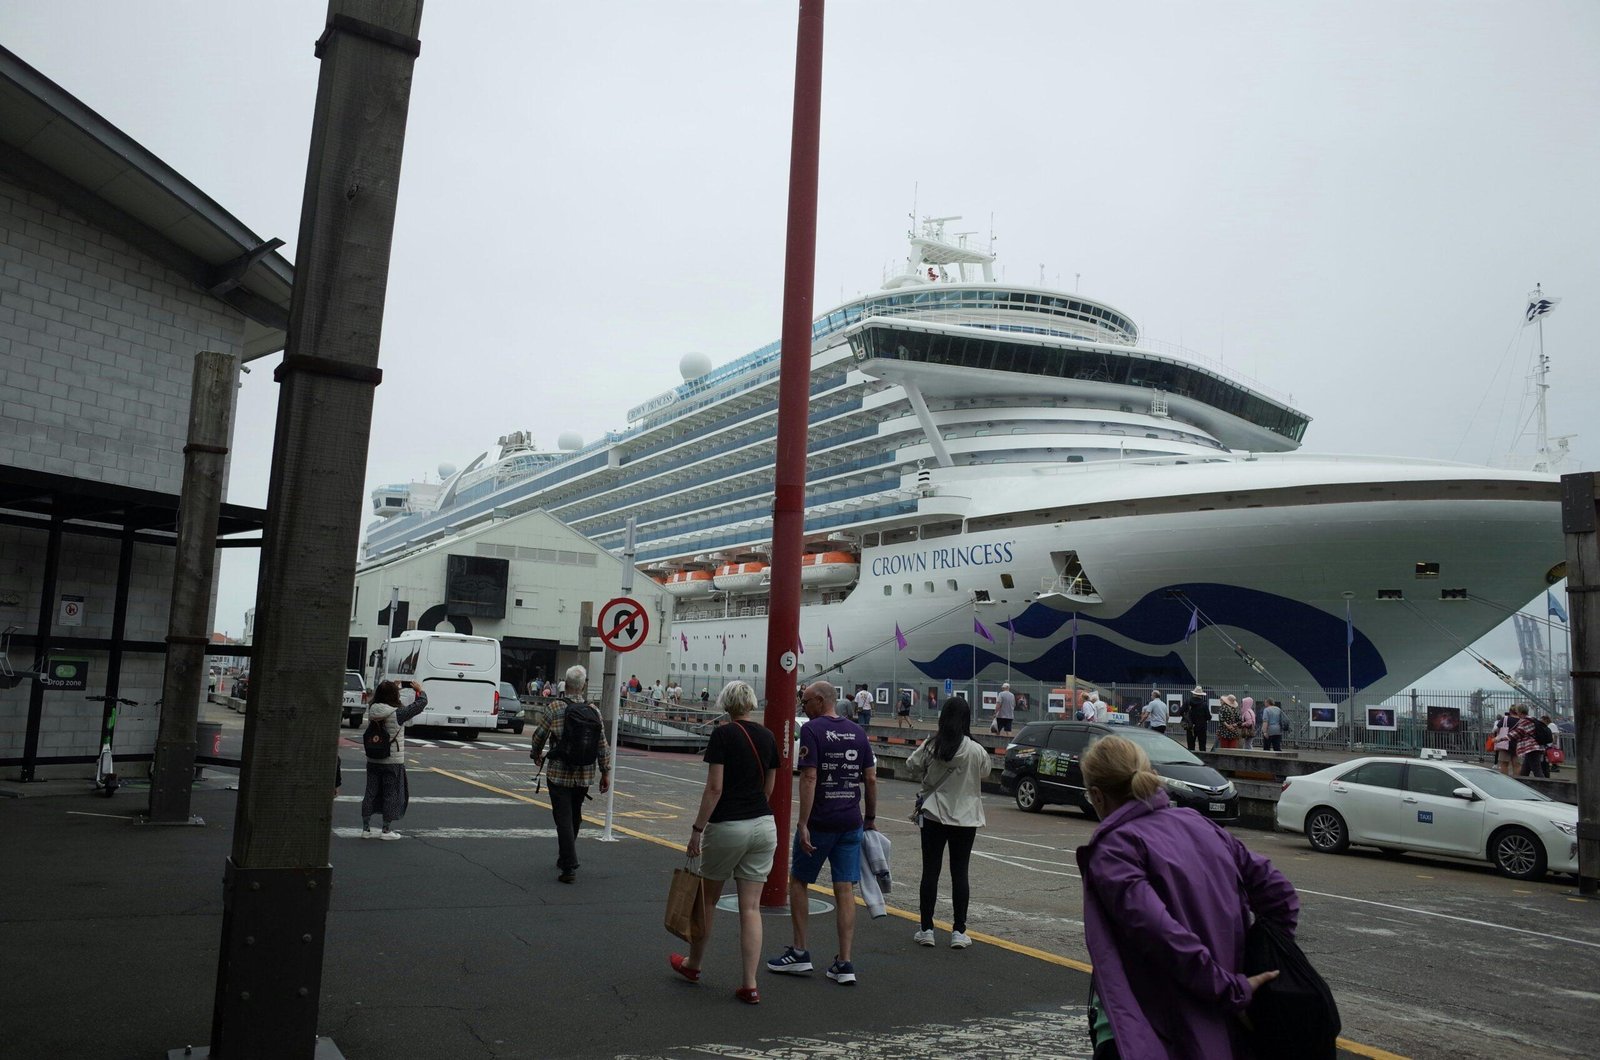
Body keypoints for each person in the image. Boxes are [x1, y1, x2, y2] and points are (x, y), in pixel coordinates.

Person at [1077, 735, 1298, 1058]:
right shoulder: (1199, 823)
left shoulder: (1114, 849)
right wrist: (1250, 973)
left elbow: (1161, 935)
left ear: (1097, 796)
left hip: (1151, 1032)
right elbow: (1280, 895)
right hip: (1225, 1025)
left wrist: (1230, 988)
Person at [669, 681, 779, 1004]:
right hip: (763, 826)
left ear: (726, 705)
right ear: (750, 704)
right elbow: (768, 789)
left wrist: (697, 829)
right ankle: (750, 983)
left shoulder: (722, 735)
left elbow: (714, 789)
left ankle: (694, 964)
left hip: (728, 825)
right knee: (750, 907)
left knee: (708, 900)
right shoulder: (769, 736)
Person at [767, 681, 877, 985]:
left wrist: (803, 823)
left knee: (799, 881)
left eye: (805, 702)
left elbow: (810, 776)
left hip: (821, 822)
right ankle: (845, 962)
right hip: (851, 821)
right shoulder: (858, 732)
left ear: (819, 701)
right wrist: (870, 818)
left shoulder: (813, 731)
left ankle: (800, 953)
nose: (803, 707)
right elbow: (870, 779)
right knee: (845, 889)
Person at [906, 697, 988, 949]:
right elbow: (985, 772)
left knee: (930, 871)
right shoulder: (976, 749)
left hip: (934, 814)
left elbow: (911, 765)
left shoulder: (933, 745)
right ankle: (959, 931)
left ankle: (927, 929)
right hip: (966, 818)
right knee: (959, 872)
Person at [529, 665, 612, 884]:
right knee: (575, 816)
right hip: (585, 773)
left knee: (563, 818)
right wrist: (605, 772)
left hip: (558, 772)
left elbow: (539, 735)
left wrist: (536, 754)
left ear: (565, 684)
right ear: (583, 685)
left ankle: (569, 866)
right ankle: (566, 856)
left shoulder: (555, 707)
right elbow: (602, 744)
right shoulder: (594, 710)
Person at [360, 679, 428, 839]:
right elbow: (421, 704)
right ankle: (385, 830)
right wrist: (419, 690)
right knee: (391, 794)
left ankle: (366, 829)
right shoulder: (397, 713)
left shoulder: (373, 709)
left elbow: (384, 696)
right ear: (394, 695)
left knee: (370, 792)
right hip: (392, 761)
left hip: (373, 758)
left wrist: (391, 687)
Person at [1184, 685, 1210, 752]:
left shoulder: (1188, 702)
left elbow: (1180, 711)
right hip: (1201, 727)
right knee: (1202, 745)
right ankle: (1202, 759)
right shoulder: (1204, 704)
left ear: (1194, 694)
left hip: (1190, 726)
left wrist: (1187, 718)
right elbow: (1208, 717)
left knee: (1190, 745)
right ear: (1201, 695)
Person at [1490, 709, 1516, 775]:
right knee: (1516, 765)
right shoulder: (1520, 720)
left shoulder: (1503, 720)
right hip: (1516, 742)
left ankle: (1496, 765)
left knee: (1504, 763)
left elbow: (1494, 729)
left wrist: (1496, 737)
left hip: (1503, 742)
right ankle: (1517, 780)